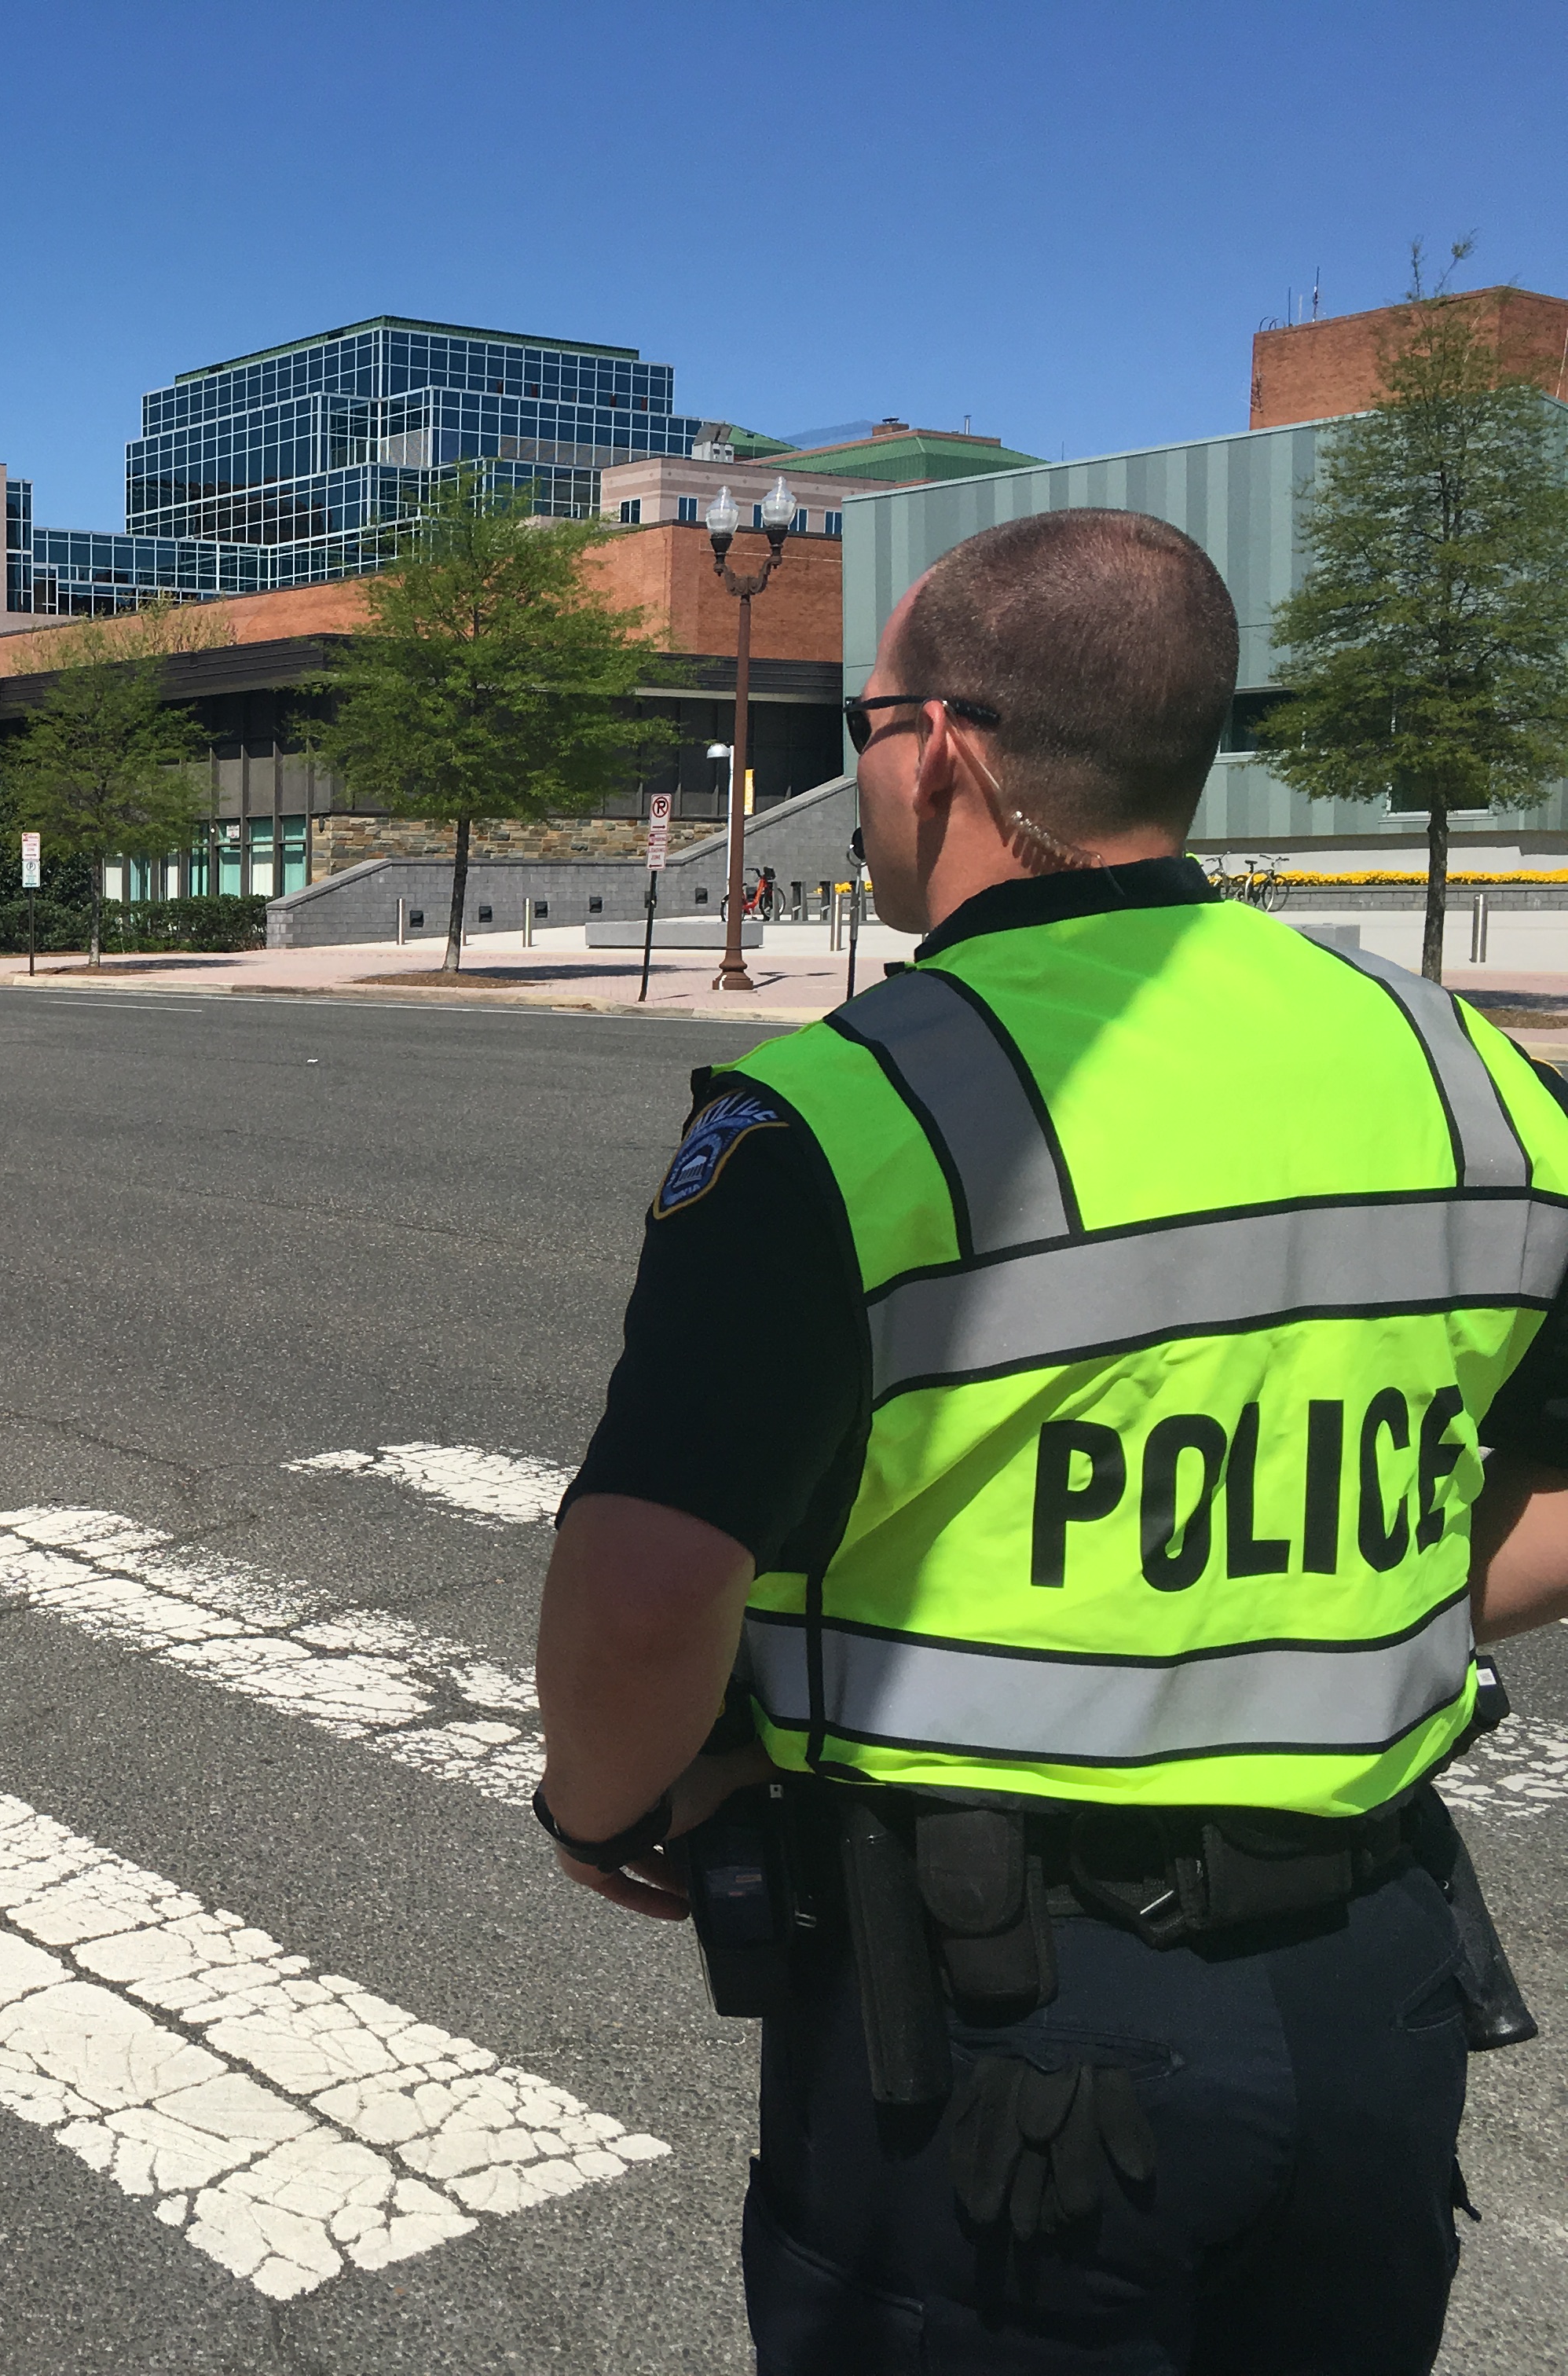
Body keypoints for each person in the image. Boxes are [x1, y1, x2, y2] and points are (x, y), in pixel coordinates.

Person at [533, 507, 1568, 2374]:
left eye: (855, 727)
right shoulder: (1471, 1070)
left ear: (947, 744)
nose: (850, 774)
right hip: (1372, 2004)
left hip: (1000, 2041)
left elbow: (639, 1594)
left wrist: (603, 1804)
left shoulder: (848, 1111)